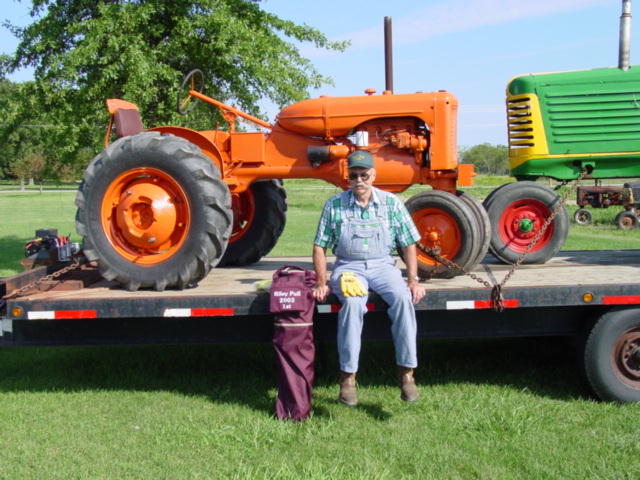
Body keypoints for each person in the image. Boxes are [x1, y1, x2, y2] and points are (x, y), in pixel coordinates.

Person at [312, 150, 426, 406]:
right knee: (352, 303)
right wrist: (322, 282)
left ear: (373, 175)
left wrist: (413, 279)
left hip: (383, 266)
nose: (359, 180)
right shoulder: (335, 205)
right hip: (349, 267)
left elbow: (408, 244)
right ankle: (348, 378)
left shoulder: (392, 203)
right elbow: (320, 245)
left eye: (364, 175)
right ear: (347, 177)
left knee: (402, 299)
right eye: (354, 175)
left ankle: (407, 374)